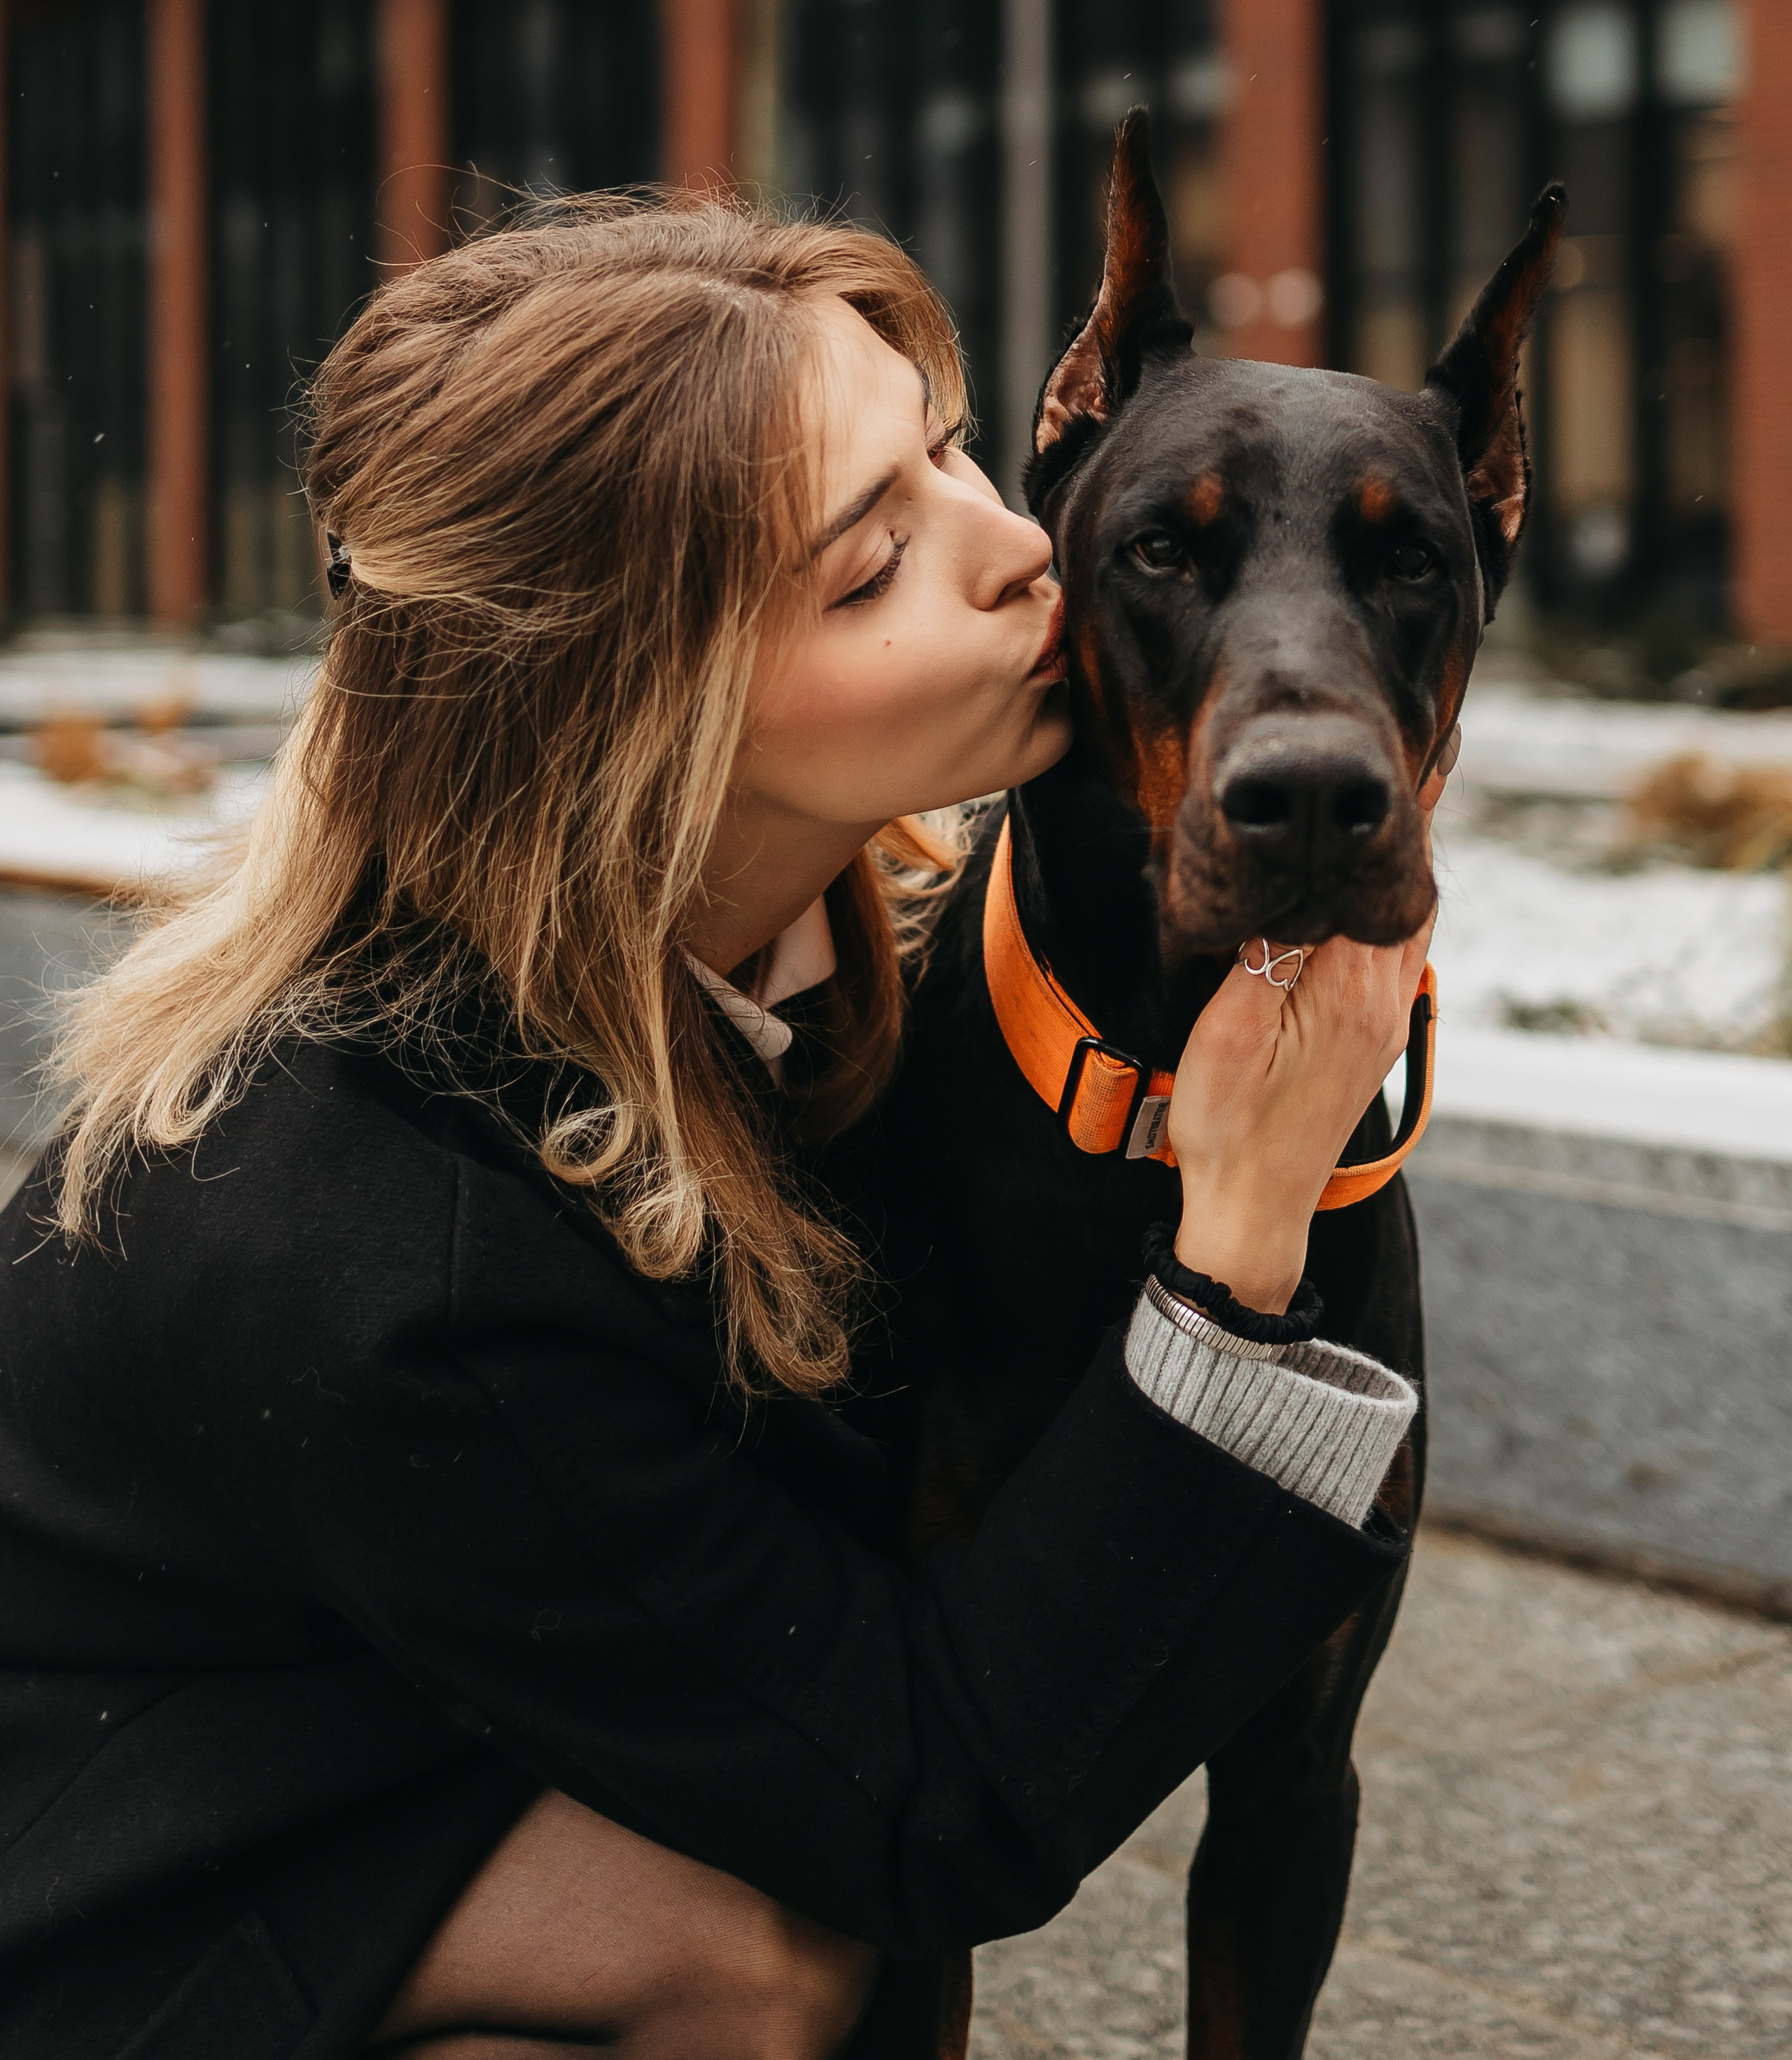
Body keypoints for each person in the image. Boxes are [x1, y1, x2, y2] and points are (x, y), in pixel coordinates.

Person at [0, 195, 1429, 2060]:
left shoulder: (812, 953)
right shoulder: (393, 1261)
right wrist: (1243, 1235)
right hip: (99, 1891)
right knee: (765, 1952)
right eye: (869, 564)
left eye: (948, 445)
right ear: (639, 717)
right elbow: (934, 1806)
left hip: (388, 1714)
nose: (1022, 551)